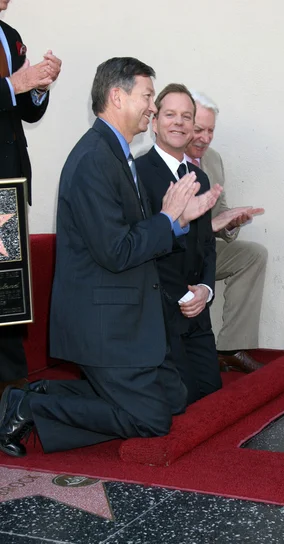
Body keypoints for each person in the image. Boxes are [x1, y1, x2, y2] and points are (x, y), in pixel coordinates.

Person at [0, 58, 219, 458]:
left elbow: (131, 237)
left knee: (175, 397)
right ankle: (28, 406)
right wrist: (167, 220)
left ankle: (42, 391)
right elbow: (116, 251)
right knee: (153, 420)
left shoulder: (116, 152)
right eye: (148, 97)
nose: (152, 107)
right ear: (117, 96)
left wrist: (176, 222)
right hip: (104, 323)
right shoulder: (94, 159)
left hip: (129, 317)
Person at [136, 84, 223, 405]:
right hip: (162, 313)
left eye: (187, 117)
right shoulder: (138, 174)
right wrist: (185, 295)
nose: (179, 123)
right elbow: (143, 247)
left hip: (197, 312)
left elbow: (206, 247)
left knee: (213, 397)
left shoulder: (199, 178)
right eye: (170, 114)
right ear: (155, 120)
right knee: (182, 402)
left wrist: (205, 290)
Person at [0, 0, 61, 394]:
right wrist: (11, 85)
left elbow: (26, 112)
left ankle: (10, 385)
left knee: (6, 286)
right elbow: (9, 91)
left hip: (7, 183)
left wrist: (37, 88)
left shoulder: (10, 35)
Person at [185, 90, 268, 373]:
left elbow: (219, 210)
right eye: (199, 129)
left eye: (211, 131)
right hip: (172, 252)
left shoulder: (214, 159)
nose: (205, 138)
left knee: (253, 254)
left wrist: (232, 221)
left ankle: (230, 348)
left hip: (205, 247)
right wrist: (213, 225)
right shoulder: (155, 162)